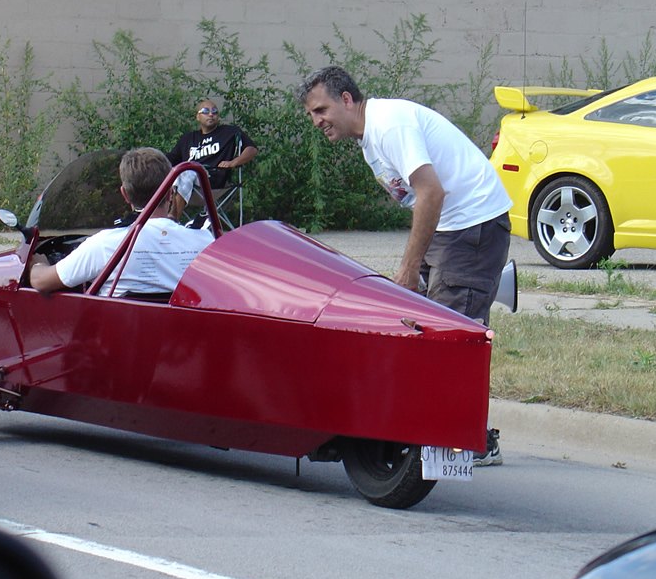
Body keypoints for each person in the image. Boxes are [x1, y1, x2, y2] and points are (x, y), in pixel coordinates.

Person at [296, 65, 511, 466]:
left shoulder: (389, 126)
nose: (317, 121)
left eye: (321, 110)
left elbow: (431, 192)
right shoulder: (369, 138)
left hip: (471, 226)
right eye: (312, 114)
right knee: (426, 331)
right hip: (451, 229)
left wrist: (409, 269)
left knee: (451, 337)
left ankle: (467, 444)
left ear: (347, 99)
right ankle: (458, 434)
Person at [29, 147, 213, 297]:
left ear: (125, 194)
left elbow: (41, 282)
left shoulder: (105, 244)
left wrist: (37, 264)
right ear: (171, 192)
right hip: (185, 340)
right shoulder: (205, 243)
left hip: (118, 339)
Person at [167, 99, 257, 220]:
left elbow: (252, 149)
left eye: (214, 111)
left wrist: (233, 162)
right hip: (186, 185)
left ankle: (172, 220)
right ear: (198, 117)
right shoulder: (187, 139)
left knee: (189, 170)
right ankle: (149, 220)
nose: (211, 114)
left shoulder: (229, 133)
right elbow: (171, 159)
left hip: (213, 182)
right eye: (206, 111)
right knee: (161, 173)